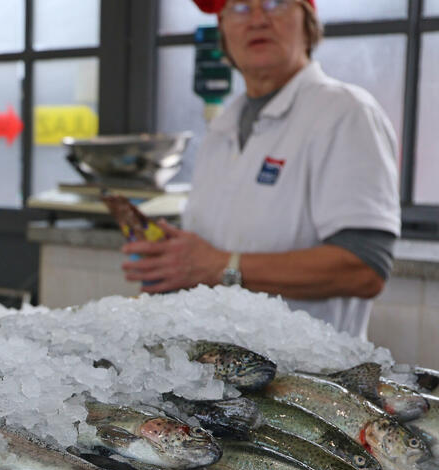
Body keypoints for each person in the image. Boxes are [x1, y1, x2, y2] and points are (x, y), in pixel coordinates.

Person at [122, 0, 400, 338]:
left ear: (308, 22)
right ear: (222, 30)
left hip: (308, 378)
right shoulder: (221, 128)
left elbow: (364, 268)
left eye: (275, 3)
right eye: (239, 7)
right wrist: (172, 264)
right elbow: (210, 256)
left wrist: (220, 266)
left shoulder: (345, 112)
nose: (257, 19)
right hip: (221, 373)